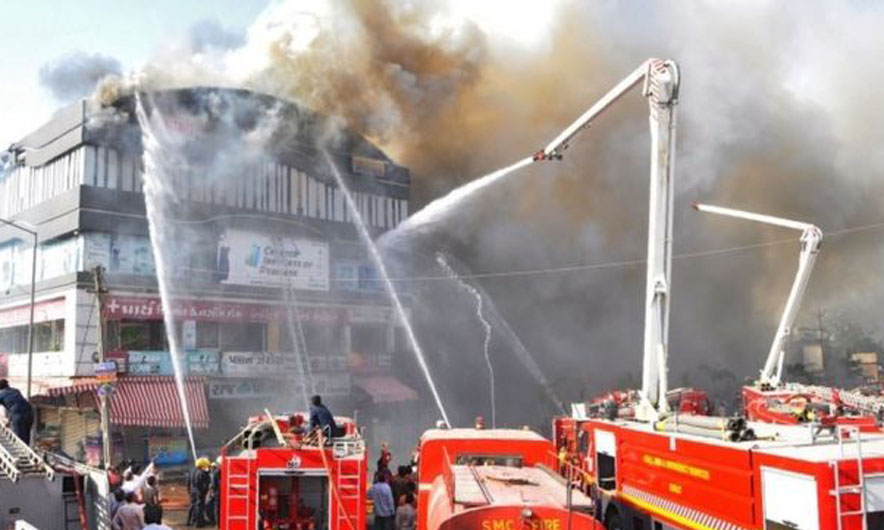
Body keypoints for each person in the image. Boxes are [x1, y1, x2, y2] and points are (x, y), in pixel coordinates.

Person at [0, 379, 34, 445]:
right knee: (26, 437)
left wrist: (5, 420)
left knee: (19, 439)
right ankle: (27, 453)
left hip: (18, 415)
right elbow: (14, 403)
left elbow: (14, 407)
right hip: (30, 412)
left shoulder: (2, 394)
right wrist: (9, 420)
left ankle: (23, 454)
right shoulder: (16, 391)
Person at [187, 457, 212, 527]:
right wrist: (204, 491)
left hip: (192, 491)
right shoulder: (202, 473)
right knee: (199, 507)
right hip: (199, 492)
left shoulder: (192, 471)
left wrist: (189, 490)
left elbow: (189, 482)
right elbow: (202, 484)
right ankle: (199, 523)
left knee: (192, 506)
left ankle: (190, 521)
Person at [206, 459, 221, 526]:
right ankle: (217, 522)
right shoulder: (215, 474)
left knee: (215, 507)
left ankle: (216, 522)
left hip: (214, 492)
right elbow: (214, 484)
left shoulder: (213, 474)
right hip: (216, 492)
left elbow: (212, 484)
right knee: (216, 508)